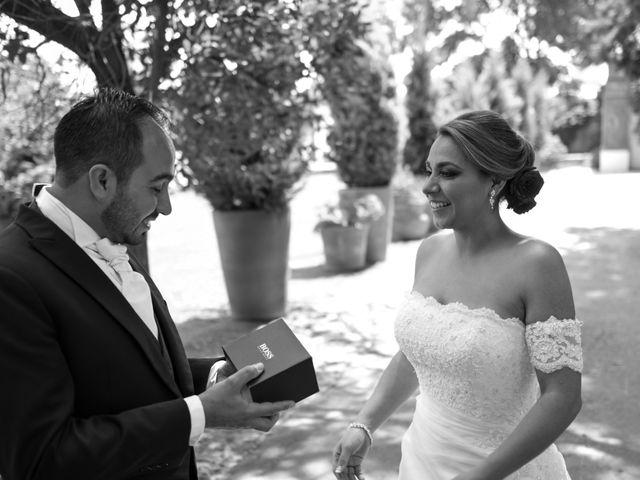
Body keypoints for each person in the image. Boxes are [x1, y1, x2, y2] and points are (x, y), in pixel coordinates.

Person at [0, 88, 294, 480]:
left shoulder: (109, 229)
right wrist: (201, 413)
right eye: (157, 187)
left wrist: (215, 378)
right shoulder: (11, 278)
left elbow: (124, 365)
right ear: (102, 180)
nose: (166, 206)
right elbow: (42, 459)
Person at [332, 110, 583, 480]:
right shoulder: (429, 251)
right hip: (422, 460)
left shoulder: (537, 264)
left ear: (493, 181)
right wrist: (365, 423)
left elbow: (563, 398)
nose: (428, 185)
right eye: (430, 170)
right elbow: (421, 351)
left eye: (448, 173)